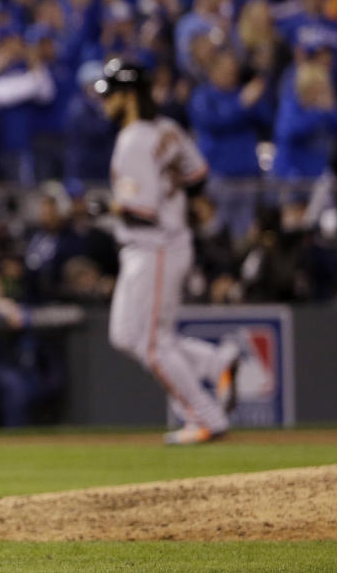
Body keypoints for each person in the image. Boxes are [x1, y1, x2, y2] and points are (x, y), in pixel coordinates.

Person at [95, 59, 240, 446]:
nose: (104, 101)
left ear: (128, 97)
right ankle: (215, 362)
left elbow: (141, 211)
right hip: (160, 245)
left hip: (155, 247)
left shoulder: (133, 139)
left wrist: (103, 208)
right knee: (125, 335)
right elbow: (198, 177)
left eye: (110, 93)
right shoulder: (168, 129)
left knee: (152, 344)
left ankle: (205, 418)